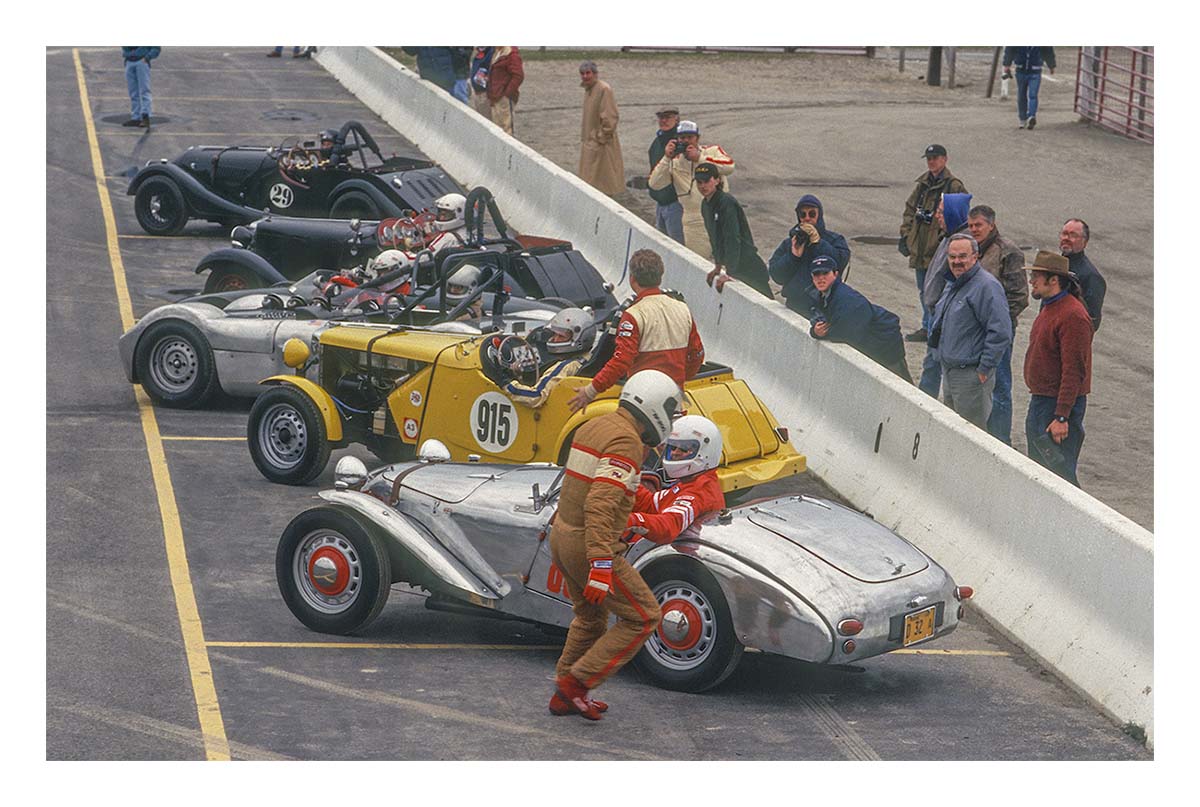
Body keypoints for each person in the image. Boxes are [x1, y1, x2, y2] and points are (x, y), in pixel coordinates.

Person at [548, 370, 680, 720]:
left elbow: (585, 487)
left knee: (590, 620)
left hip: (562, 535)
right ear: (654, 407)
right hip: (588, 545)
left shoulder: (596, 424)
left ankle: (563, 691)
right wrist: (601, 565)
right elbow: (601, 504)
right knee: (644, 616)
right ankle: (576, 685)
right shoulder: (627, 442)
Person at [568, 249, 704, 412]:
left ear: (632, 279)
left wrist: (590, 391)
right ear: (660, 276)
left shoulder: (633, 314)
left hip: (641, 406)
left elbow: (621, 361)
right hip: (674, 405)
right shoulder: (683, 309)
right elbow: (697, 354)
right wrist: (680, 380)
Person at [1023, 250, 1093, 486]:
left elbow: (1074, 371)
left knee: (1059, 475)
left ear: (1053, 280)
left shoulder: (1072, 315)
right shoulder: (1050, 306)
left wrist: (1062, 416)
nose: (1031, 281)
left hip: (1056, 407)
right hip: (1043, 401)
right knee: (1040, 470)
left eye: (1036, 276)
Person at [929, 234, 1012, 429]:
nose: (957, 262)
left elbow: (1001, 332)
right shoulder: (954, 283)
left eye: (963, 256)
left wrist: (984, 369)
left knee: (970, 435)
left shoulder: (986, 286)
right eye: (952, 257)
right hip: (950, 372)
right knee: (951, 431)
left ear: (975, 257)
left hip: (970, 377)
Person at [967, 205, 1029, 444]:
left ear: (991, 225)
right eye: (971, 226)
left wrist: (998, 322)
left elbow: (1018, 296)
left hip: (998, 331)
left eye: (978, 225)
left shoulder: (1007, 252)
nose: (974, 230)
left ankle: (1000, 440)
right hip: (972, 329)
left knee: (999, 385)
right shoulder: (972, 250)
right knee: (975, 383)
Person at [899, 144, 967, 342]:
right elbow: (910, 210)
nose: (931, 162)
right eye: (929, 158)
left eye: (935, 158)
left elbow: (960, 216)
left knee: (939, 291)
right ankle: (928, 326)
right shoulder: (922, 185)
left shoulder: (953, 186)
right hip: (920, 248)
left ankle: (937, 328)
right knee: (924, 291)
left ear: (945, 159)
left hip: (939, 250)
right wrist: (906, 235)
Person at [807, 255, 912, 382]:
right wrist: (816, 330)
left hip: (885, 345)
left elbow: (846, 333)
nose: (821, 278)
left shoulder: (846, 298)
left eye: (825, 273)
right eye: (816, 274)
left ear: (835, 274)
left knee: (900, 387)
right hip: (870, 343)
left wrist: (817, 333)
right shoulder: (823, 295)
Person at [623, 415, 726, 545]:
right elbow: (650, 504)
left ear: (704, 453)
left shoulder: (699, 492)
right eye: (673, 447)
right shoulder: (691, 482)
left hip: (680, 559)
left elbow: (668, 527)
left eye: (684, 449)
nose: (674, 453)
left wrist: (632, 520)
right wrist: (624, 481)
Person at [647, 119, 735, 259]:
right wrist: (666, 158)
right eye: (682, 138)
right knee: (699, 262)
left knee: (728, 261)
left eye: (690, 137)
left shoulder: (712, 151)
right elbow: (654, 184)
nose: (686, 141)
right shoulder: (674, 162)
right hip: (693, 220)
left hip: (720, 213)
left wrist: (699, 158)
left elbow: (729, 166)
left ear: (697, 138)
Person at [917, 192, 973, 398]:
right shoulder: (948, 238)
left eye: (941, 212)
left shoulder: (960, 244)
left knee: (934, 363)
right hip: (935, 312)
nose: (937, 216)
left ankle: (925, 400)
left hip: (943, 315)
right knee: (931, 361)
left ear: (952, 213)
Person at [695, 162, 774, 300]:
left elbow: (732, 238)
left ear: (717, 180)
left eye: (707, 181)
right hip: (735, 265)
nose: (703, 186)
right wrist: (718, 265)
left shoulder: (726, 203)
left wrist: (730, 272)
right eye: (699, 182)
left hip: (747, 265)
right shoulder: (706, 204)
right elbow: (714, 238)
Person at [768, 194, 851, 312]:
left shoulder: (835, 240)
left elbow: (840, 262)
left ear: (819, 215)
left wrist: (818, 243)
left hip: (824, 306)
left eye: (812, 214)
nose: (807, 218)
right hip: (795, 305)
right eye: (803, 215)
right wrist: (793, 256)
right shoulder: (790, 243)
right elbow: (776, 274)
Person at [503, 308, 596, 408]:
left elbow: (536, 396)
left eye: (561, 336)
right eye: (555, 334)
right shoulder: (589, 358)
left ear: (579, 339)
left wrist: (504, 383)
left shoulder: (566, 367)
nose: (555, 339)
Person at [577, 61, 625, 196]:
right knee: (590, 181)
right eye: (582, 74)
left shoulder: (604, 89)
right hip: (590, 141)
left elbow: (610, 117)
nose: (585, 76)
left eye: (588, 73)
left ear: (595, 74)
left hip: (601, 143)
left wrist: (600, 137)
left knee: (602, 182)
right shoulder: (588, 89)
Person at [1059, 218, 1107, 332]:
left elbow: (1092, 321)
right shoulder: (1057, 265)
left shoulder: (1091, 276)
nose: (1066, 238)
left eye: (1073, 235)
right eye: (1064, 234)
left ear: (1085, 242)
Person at [647, 106, 684, 244]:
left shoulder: (681, 142)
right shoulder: (657, 143)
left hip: (676, 204)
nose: (664, 121)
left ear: (676, 119)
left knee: (677, 245)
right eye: (661, 117)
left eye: (668, 117)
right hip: (660, 203)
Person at [470, 46, 523, 135]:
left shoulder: (511, 54)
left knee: (506, 127)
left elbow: (518, 76)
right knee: (496, 126)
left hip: (503, 98)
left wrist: (507, 93)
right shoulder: (497, 52)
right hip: (494, 96)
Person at [1002, 47, 1057, 130]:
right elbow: (1010, 49)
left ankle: (1031, 116)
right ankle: (1022, 118)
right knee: (1021, 94)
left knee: (1033, 94)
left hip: (1035, 70)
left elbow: (1048, 50)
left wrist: (1051, 65)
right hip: (1021, 69)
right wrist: (1007, 64)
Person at [402, 47, 470, 96]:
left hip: (450, 80)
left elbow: (464, 52)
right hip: (428, 80)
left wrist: (461, 77)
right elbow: (411, 51)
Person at [121, 47, 160, 129]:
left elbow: (156, 48)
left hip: (141, 61)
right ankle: (136, 118)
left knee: (145, 91)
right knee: (133, 92)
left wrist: (147, 58)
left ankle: (146, 117)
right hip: (129, 61)